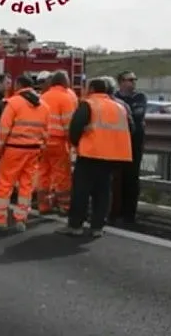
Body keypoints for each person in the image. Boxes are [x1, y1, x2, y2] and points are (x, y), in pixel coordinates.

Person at [56, 77, 134, 237]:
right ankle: (97, 227)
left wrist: (78, 144)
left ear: (91, 89)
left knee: (81, 191)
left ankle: (75, 225)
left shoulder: (89, 104)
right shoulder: (120, 107)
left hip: (90, 154)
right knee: (103, 192)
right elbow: (131, 128)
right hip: (111, 157)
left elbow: (75, 129)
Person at [0, 74, 51, 232]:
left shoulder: (13, 103)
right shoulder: (44, 106)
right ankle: (21, 219)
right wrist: (41, 149)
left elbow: (3, 130)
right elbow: (46, 132)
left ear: (19, 85)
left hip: (14, 149)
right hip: (33, 150)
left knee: (4, 184)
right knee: (26, 186)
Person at [37, 70, 78, 214]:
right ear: (64, 82)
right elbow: (68, 125)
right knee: (62, 175)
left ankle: (43, 205)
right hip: (58, 142)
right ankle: (64, 206)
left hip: (42, 141)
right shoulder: (65, 98)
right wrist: (73, 144)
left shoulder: (43, 97)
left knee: (43, 173)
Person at [112, 70, 147, 224]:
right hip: (117, 142)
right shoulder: (114, 97)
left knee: (132, 178)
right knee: (117, 178)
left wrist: (123, 111)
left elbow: (138, 114)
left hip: (135, 142)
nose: (133, 82)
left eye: (134, 79)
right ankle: (115, 211)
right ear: (121, 82)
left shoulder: (140, 97)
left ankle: (129, 213)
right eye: (130, 80)